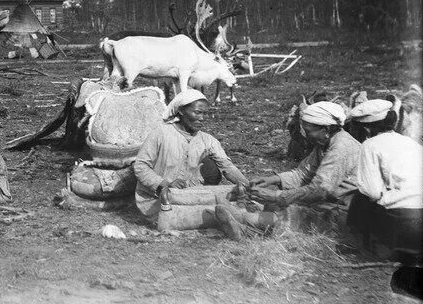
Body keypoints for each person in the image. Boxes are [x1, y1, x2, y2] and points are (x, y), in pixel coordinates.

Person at [132, 89, 255, 239]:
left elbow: (227, 167)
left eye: (204, 114)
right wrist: (164, 183)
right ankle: (233, 221)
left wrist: (249, 187)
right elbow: (140, 166)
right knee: (211, 209)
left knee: (233, 192)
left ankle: (232, 218)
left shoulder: (207, 140)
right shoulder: (161, 133)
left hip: (191, 194)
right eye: (197, 113)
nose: (202, 118)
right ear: (182, 112)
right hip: (158, 198)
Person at [246, 100, 361, 227]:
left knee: (282, 216)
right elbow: (303, 173)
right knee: (274, 206)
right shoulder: (325, 143)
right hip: (327, 202)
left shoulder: (341, 148)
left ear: (326, 129)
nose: (305, 135)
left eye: (308, 131)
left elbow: (320, 190)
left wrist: (276, 195)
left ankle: (244, 223)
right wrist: (274, 179)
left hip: (342, 208)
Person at [346, 99, 423, 257]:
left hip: (402, 220)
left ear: (367, 128)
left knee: (360, 196)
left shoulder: (370, 145)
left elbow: (372, 192)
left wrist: (385, 194)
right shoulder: (412, 143)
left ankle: (366, 246)